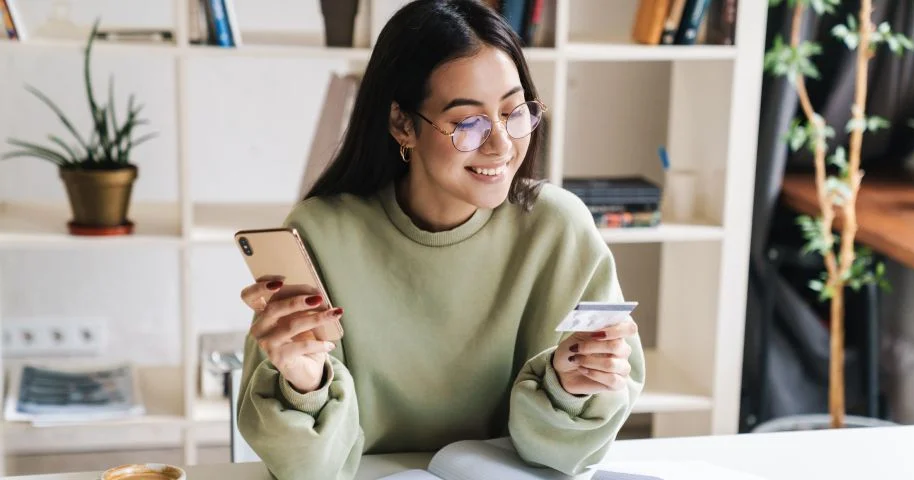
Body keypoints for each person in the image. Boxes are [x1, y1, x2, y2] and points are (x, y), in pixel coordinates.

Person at [235, 1, 645, 478]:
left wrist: (572, 387)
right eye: (468, 123)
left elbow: (567, 456)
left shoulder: (558, 228)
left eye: (514, 112)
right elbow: (309, 470)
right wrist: (304, 384)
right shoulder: (321, 233)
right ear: (402, 124)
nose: (502, 145)